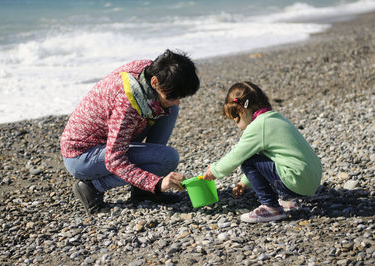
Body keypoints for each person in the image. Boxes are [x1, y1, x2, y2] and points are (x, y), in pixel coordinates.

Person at [60, 49, 200, 215]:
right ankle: (91, 187)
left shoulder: (151, 70)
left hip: (109, 138)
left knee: (170, 109)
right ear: (154, 82)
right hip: (81, 156)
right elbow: (115, 160)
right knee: (167, 158)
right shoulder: (127, 103)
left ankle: (142, 191)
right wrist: (157, 183)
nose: (177, 101)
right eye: (173, 96)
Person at [203, 81, 322, 223]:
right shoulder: (275, 118)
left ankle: (271, 207)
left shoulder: (258, 126)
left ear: (241, 110)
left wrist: (214, 170)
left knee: (247, 162)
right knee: (272, 158)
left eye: (236, 119)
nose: (237, 125)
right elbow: (268, 158)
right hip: (311, 178)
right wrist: (244, 183)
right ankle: (288, 200)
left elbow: (236, 156)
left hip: (297, 180)